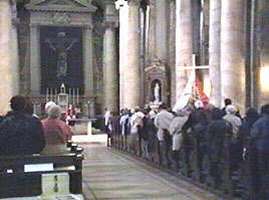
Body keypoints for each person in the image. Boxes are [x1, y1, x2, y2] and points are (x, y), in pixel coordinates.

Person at [250, 104, 269, 200]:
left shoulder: (260, 122)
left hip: (263, 149)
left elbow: (253, 135)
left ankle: (264, 193)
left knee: (264, 171)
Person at [154, 103, 174, 167]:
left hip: (161, 132)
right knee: (169, 147)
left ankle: (163, 161)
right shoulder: (170, 115)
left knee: (162, 148)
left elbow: (156, 123)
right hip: (169, 132)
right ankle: (170, 161)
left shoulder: (159, 115)